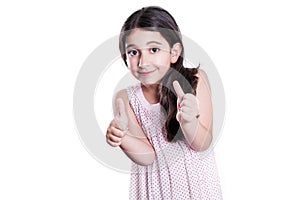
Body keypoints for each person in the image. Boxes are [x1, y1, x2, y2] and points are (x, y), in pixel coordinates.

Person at [106, 6, 222, 199]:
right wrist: (122, 138)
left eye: (153, 49)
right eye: (134, 52)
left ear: (174, 52)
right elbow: (148, 156)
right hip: (154, 190)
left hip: (197, 188)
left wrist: (189, 122)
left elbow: (202, 143)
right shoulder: (125, 98)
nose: (143, 62)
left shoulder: (196, 80)